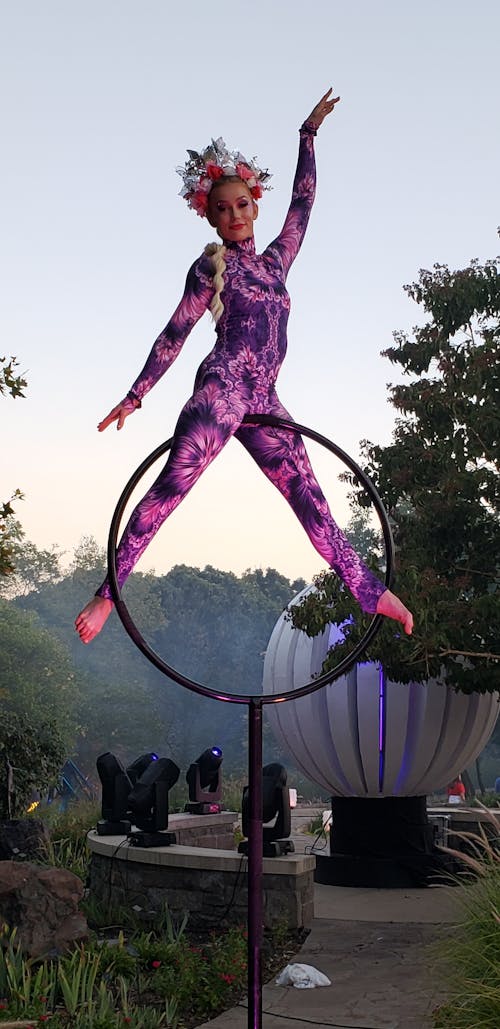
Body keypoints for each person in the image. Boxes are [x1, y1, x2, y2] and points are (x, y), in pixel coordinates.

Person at [75, 89, 414, 644]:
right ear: (209, 216)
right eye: (222, 208)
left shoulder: (278, 260)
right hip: (223, 389)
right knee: (170, 488)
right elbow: (175, 333)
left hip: (264, 400)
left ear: (255, 205)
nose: (233, 215)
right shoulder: (208, 267)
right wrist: (136, 394)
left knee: (310, 496)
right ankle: (108, 593)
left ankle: (368, 590)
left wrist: (307, 136)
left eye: (242, 205)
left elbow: (303, 203)